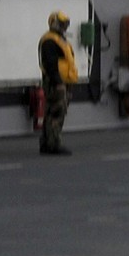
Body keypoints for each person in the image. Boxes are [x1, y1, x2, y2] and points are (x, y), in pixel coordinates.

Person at [38, 10, 80, 155]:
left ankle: (46, 143)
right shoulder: (50, 40)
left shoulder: (59, 40)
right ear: (54, 23)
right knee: (57, 112)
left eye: (66, 24)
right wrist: (58, 83)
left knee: (51, 112)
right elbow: (50, 64)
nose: (65, 27)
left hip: (62, 82)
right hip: (56, 83)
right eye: (62, 24)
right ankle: (54, 144)